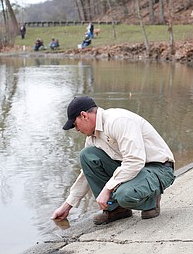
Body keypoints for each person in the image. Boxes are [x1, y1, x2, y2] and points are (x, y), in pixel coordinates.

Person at [51, 96, 175, 225]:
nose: (76, 130)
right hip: (136, 170)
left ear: (84, 116)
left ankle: (151, 201)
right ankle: (116, 209)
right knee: (87, 155)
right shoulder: (92, 138)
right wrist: (67, 206)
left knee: (124, 195)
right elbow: (86, 174)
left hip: (159, 168)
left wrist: (107, 189)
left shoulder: (117, 121)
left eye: (75, 125)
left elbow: (135, 160)